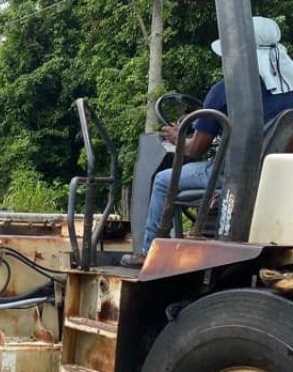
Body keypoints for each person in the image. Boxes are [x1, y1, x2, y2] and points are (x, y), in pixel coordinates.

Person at [123, 16, 293, 267]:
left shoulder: (226, 90)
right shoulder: (288, 88)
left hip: (233, 175)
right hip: (275, 177)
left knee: (162, 181)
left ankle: (148, 252)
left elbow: (195, 149)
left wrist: (178, 137)